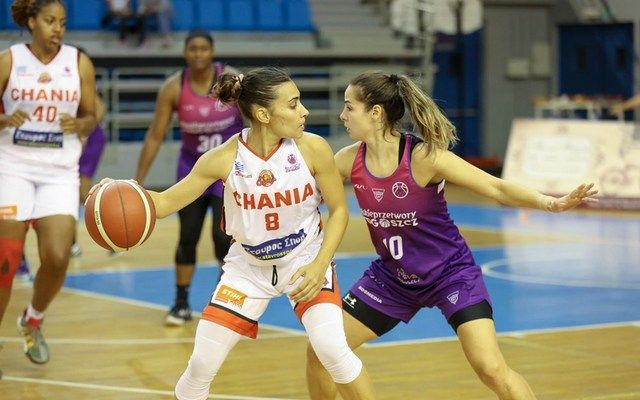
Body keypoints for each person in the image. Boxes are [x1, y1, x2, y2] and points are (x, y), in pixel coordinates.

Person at [306, 71, 598, 400]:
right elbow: (303, 196)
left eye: (349, 107)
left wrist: (550, 203)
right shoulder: (347, 160)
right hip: (391, 279)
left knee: (491, 369)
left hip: (450, 275)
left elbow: (496, 187)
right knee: (322, 352)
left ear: (375, 113)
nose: (342, 115)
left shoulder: (424, 158)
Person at [93, 67, 376, 399]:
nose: (304, 111)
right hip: (248, 269)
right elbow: (166, 201)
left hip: (305, 260)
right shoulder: (223, 158)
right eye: (293, 104)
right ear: (263, 114)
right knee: (201, 365)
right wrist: (120, 192)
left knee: (332, 350)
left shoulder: (313, 148)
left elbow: (339, 211)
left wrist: (319, 265)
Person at [0, 0, 97, 366]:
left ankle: (32, 319)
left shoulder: (78, 62)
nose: (58, 28)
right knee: (6, 259)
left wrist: (81, 124)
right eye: (50, 21)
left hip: (59, 170)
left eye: (63, 22)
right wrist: (5, 119)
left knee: (57, 258)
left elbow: (91, 115)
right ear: (31, 22)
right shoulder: (9, 60)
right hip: (13, 167)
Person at [134, 30, 243, 326]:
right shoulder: (173, 87)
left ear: (212, 52)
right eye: (192, 49)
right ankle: (181, 303)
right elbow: (155, 135)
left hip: (227, 173)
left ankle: (226, 299)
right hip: (191, 173)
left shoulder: (230, 80)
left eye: (203, 48)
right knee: (187, 237)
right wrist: (138, 179)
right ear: (185, 53)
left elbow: (253, 117)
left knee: (223, 238)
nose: (198, 54)